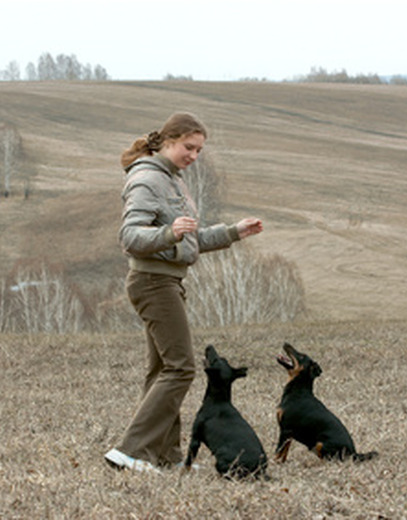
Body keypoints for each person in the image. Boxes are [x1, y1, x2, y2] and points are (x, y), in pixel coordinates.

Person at [104, 112, 263, 473]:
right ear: (169, 140)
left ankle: (166, 456)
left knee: (162, 369)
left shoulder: (171, 180)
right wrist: (168, 234)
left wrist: (234, 231)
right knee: (181, 368)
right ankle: (131, 452)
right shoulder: (147, 179)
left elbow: (188, 238)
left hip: (166, 281)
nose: (194, 156)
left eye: (199, 150)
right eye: (189, 147)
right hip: (153, 283)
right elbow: (130, 237)